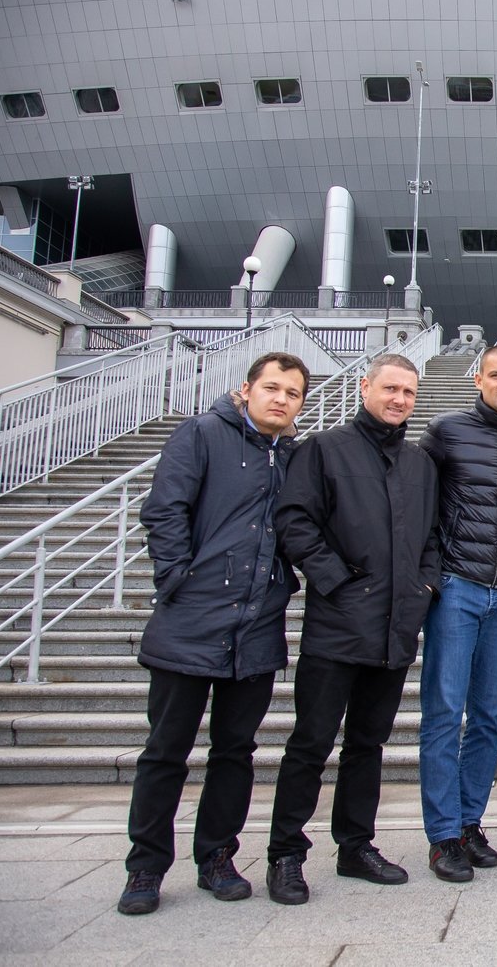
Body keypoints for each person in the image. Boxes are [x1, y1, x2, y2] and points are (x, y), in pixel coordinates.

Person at [118, 352, 309, 916]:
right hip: (191, 621)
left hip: (257, 626)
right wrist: (178, 577)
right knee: (165, 750)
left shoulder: (292, 455)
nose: (280, 399)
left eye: (292, 393)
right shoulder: (201, 434)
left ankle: (217, 857)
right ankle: (146, 866)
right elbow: (164, 510)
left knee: (235, 751)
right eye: (271, 387)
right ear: (246, 390)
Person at [266, 353, 441, 904]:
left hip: (395, 626)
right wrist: (336, 581)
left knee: (368, 743)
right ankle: (286, 854)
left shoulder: (419, 463)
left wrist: (424, 586)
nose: (399, 400)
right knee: (311, 742)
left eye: (408, 392)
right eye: (390, 388)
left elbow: (432, 538)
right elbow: (295, 520)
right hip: (337, 624)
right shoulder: (324, 449)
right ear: (366, 387)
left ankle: (355, 845)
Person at [417, 345, 497, 882]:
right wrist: (431, 572)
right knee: (445, 713)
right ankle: (443, 834)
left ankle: (469, 823)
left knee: (488, 717)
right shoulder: (446, 431)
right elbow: (417, 501)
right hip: (458, 588)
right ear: (478, 379)